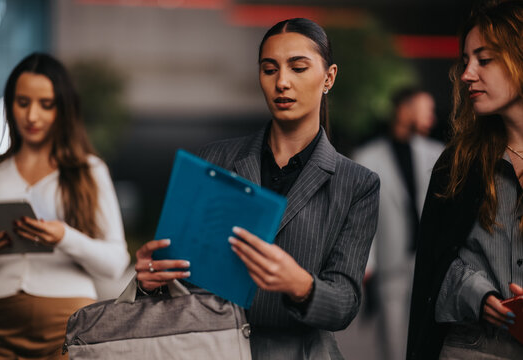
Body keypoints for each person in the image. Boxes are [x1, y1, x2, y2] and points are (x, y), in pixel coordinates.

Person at [135, 18, 380, 359]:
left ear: (329, 77)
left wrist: (300, 284)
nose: (282, 82)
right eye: (269, 69)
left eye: (298, 68)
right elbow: (183, 277)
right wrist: (153, 280)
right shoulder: (214, 160)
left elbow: (344, 303)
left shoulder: (357, 183)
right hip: (211, 350)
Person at [0, 53, 130, 359]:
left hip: (67, 324)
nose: (32, 116)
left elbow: (116, 262)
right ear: (10, 104)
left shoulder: (88, 170)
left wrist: (64, 236)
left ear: (62, 109)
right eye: (23, 102)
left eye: (45, 105)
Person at [407, 1, 523, 359]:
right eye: (465, 61)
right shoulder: (458, 162)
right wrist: (479, 293)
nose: (467, 73)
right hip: (471, 347)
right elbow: (434, 262)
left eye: (484, 60)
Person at [353, 88, 443, 360]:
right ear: (404, 111)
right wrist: (367, 264)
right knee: (393, 345)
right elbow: (364, 216)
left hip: (430, 264)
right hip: (390, 264)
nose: (432, 118)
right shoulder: (367, 158)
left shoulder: (438, 153)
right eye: (425, 109)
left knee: (429, 341)